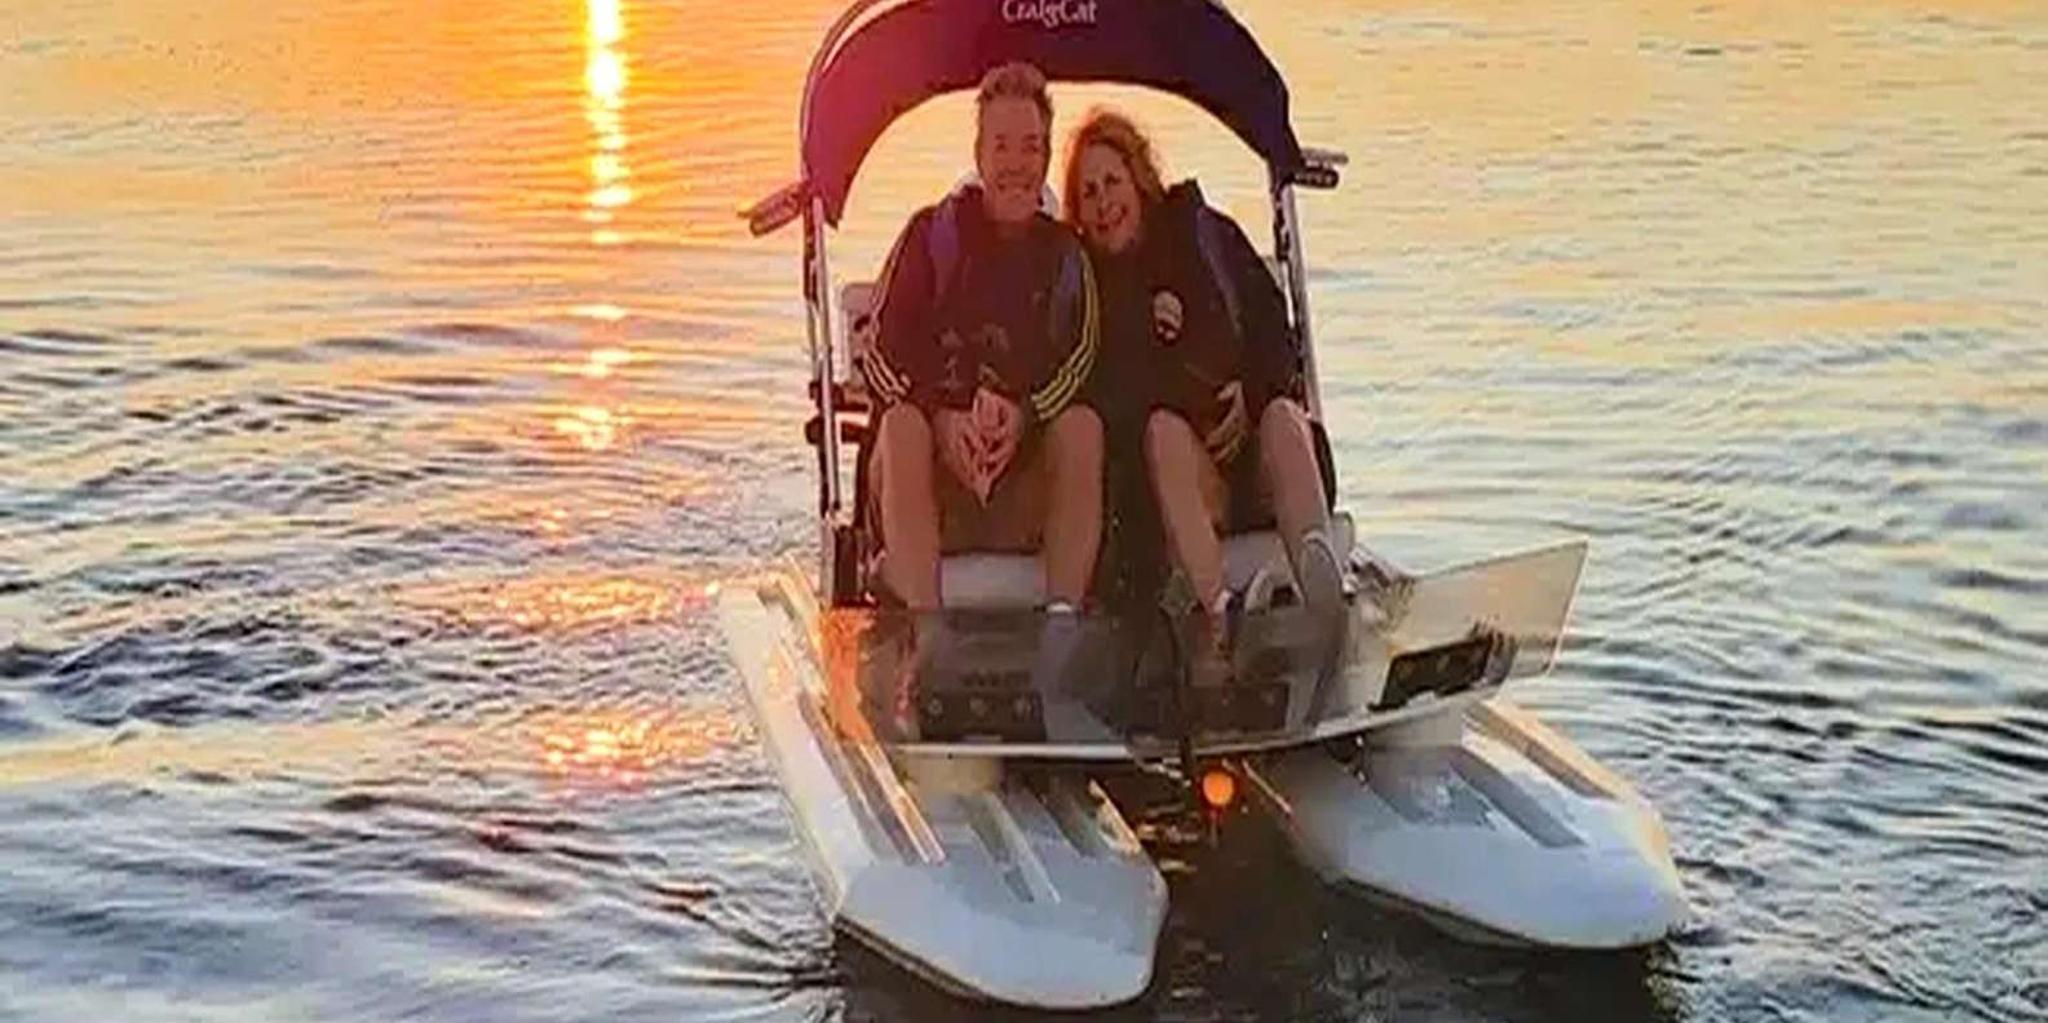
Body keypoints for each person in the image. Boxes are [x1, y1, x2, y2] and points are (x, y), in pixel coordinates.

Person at [1062, 108, 1342, 684]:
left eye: (1111, 182)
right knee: (1164, 432)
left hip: (1253, 457)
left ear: (1140, 178)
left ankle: (1328, 599)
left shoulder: (1209, 236)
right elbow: (1101, 400)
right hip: (1181, 481)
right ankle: (1219, 626)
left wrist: (1253, 394)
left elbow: (1275, 338)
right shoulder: (1084, 286)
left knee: (1287, 420)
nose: (1102, 201)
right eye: (1087, 193)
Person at [861, 62, 1104, 681]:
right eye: (1002, 145)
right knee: (902, 428)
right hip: (934, 490)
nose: (1017, 163)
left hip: (1017, 488)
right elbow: (880, 358)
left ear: (1047, 156)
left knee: (1081, 429)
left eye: (1031, 147)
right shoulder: (928, 238)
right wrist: (945, 422)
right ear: (978, 153)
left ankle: (1061, 639)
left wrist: (1023, 419)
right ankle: (928, 641)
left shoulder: (1067, 258)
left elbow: (1083, 363)